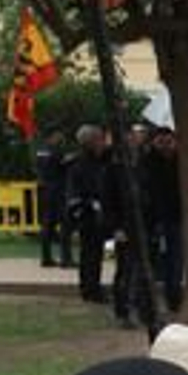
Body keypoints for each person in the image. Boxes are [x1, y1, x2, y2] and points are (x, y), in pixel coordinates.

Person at [66, 124, 111, 305]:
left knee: (94, 253)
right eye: (99, 139)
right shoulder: (80, 164)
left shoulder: (102, 160)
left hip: (97, 212)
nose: (102, 143)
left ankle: (92, 287)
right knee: (90, 254)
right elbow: (80, 189)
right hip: (88, 213)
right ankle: (90, 288)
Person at [143, 127, 183, 313]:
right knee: (159, 259)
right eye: (162, 142)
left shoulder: (180, 161)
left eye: (170, 142)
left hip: (177, 217)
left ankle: (174, 295)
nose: (167, 146)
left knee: (176, 259)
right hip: (156, 218)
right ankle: (154, 298)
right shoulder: (148, 162)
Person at [35, 128, 72, 268]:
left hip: (43, 190)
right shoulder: (56, 151)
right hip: (57, 191)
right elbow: (64, 164)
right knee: (65, 224)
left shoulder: (40, 151)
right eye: (58, 135)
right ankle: (66, 259)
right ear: (52, 136)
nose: (60, 138)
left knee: (46, 226)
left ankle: (46, 258)